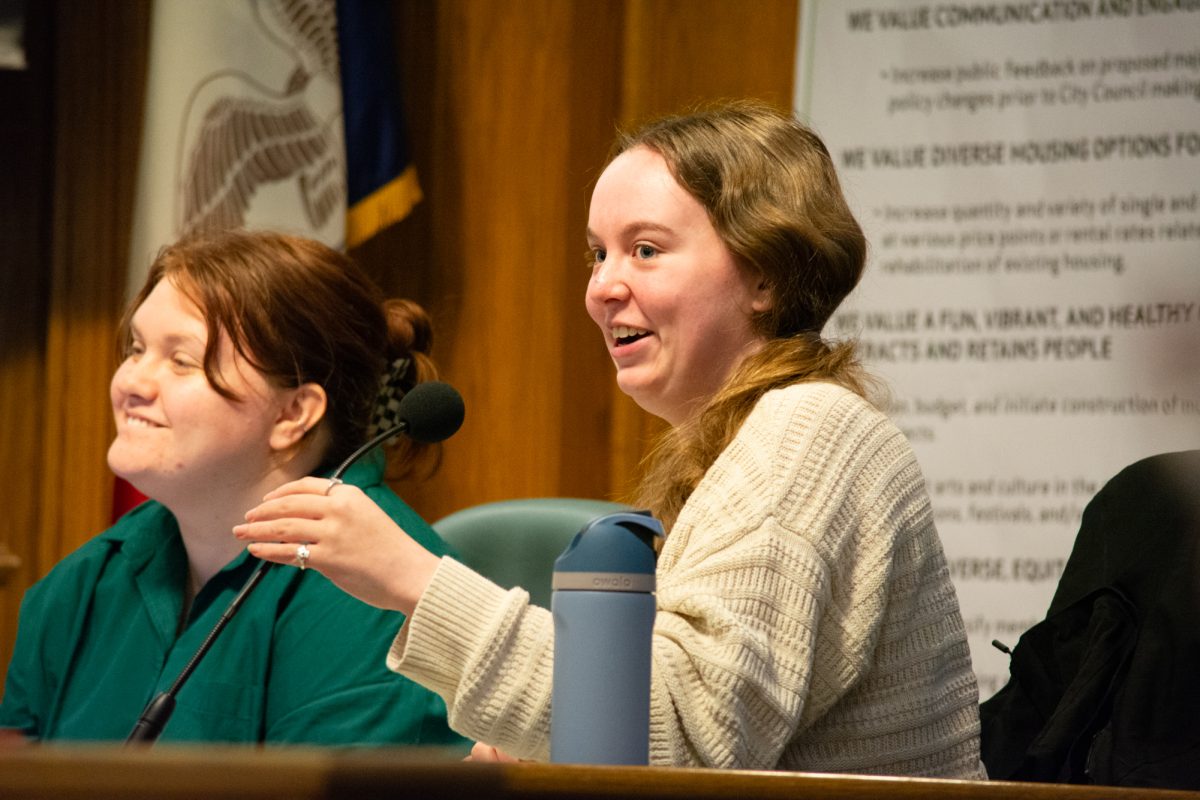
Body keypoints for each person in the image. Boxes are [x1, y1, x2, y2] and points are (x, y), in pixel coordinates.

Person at [235, 101, 985, 775]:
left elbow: (678, 744)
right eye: (598, 254)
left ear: (765, 277)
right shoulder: (747, 436)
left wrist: (415, 578)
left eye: (646, 250)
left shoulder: (807, 434)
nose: (602, 287)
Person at [0, 230, 464, 747]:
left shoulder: (384, 598)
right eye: (136, 349)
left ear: (292, 414)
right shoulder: (81, 584)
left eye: (181, 360)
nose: (130, 383)